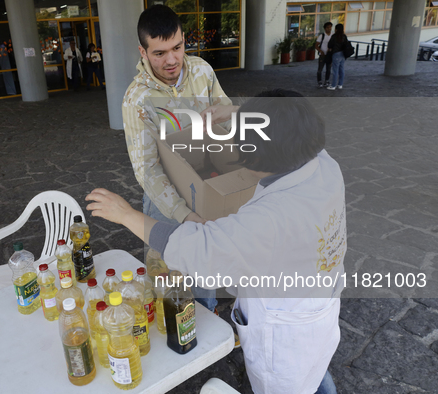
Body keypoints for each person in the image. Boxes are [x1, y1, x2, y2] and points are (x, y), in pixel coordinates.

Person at [87, 89, 345, 394]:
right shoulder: (324, 165)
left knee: (293, 383)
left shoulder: (271, 218)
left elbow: (197, 248)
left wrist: (126, 215)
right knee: (314, 369)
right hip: (321, 302)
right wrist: (235, 113)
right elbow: (289, 125)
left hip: (285, 328)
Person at [121, 4, 237, 313]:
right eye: (159, 53)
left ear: (184, 39)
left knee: (204, 274)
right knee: (168, 281)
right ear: (143, 52)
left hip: (207, 185)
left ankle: (207, 317)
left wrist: (228, 118)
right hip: (165, 200)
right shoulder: (137, 100)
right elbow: (146, 169)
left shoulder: (202, 71)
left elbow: (227, 120)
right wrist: (184, 214)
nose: (172, 60)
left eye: (177, 47)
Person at [327, 23, 348, 91]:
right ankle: (340, 84)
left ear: (336, 29)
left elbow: (330, 45)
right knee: (341, 69)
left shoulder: (335, 36)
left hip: (336, 53)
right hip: (343, 54)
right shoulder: (344, 36)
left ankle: (333, 85)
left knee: (335, 70)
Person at [315, 22, 333, 88]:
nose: (329, 29)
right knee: (320, 69)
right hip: (322, 55)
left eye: (330, 27)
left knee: (328, 69)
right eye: (328, 27)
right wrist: (320, 51)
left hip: (329, 54)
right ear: (325, 28)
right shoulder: (322, 36)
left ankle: (327, 81)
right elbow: (316, 45)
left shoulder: (332, 35)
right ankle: (319, 81)